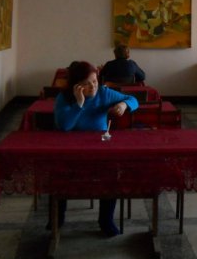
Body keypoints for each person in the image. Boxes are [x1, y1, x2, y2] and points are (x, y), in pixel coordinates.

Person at [53, 61, 139, 237]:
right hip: (71, 149)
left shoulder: (103, 93)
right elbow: (65, 126)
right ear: (76, 85)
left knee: (111, 174)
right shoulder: (64, 97)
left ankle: (106, 220)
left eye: (95, 81)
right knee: (58, 174)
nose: (93, 86)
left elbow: (133, 100)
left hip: (99, 147)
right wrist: (79, 103)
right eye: (86, 83)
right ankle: (57, 218)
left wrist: (124, 105)